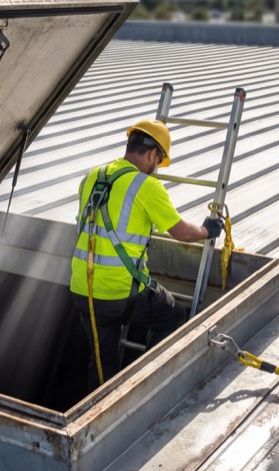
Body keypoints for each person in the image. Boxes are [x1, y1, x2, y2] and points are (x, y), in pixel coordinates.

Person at [70, 119, 225, 389]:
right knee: (173, 315)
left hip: (83, 291)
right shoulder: (146, 186)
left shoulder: (91, 176)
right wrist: (207, 230)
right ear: (153, 154)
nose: (156, 170)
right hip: (120, 293)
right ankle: (145, 380)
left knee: (102, 362)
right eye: (158, 162)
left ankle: (98, 411)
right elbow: (181, 233)